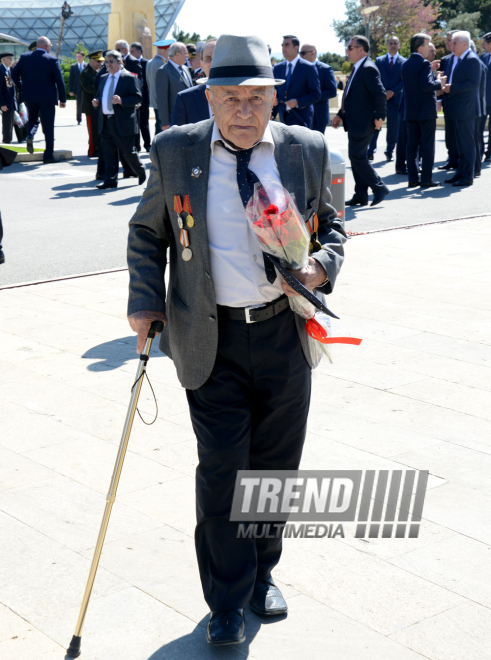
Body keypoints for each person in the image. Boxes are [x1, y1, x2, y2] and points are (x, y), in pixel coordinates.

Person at [126, 33, 346, 647]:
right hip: (211, 338)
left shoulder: (306, 150)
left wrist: (320, 266)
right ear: (210, 98)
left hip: (283, 333)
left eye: (256, 98)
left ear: (275, 98)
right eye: (230, 98)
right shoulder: (176, 151)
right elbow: (147, 234)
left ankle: (261, 575)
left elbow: (334, 229)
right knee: (224, 470)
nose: (244, 111)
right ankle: (225, 598)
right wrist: (145, 301)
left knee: (276, 467)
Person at [332, 35, 388, 207]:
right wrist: (341, 114)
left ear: (360, 49)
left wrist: (380, 117)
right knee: (356, 156)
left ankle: (379, 187)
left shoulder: (368, 68)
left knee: (357, 156)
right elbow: (352, 97)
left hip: (364, 122)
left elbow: (380, 94)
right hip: (355, 121)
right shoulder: (359, 68)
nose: (347, 51)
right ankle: (361, 194)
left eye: (350, 48)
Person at [92, 50, 145, 189]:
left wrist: (122, 101)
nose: (108, 64)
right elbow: (99, 95)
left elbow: (137, 98)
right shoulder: (103, 77)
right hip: (106, 121)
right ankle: (110, 180)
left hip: (122, 121)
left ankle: (140, 170)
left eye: (111, 61)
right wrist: (97, 101)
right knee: (108, 152)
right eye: (106, 62)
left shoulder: (128, 78)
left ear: (120, 62)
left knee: (128, 151)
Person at [11, 36, 66, 163]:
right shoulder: (52, 60)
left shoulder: (25, 57)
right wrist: (63, 99)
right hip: (47, 98)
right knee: (48, 127)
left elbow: (14, 74)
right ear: (47, 46)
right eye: (50, 46)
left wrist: (22, 89)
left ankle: (30, 135)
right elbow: (59, 81)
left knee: (33, 119)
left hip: (30, 96)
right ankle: (48, 156)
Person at [401, 33, 445, 189]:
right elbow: (427, 85)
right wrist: (439, 82)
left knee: (411, 146)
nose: (430, 48)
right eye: (428, 45)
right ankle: (426, 179)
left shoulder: (405, 64)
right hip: (425, 112)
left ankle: (413, 179)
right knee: (427, 146)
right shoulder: (424, 64)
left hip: (411, 112)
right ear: (420, 47)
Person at [443, 31, 482, 187]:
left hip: (466, 109)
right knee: (460, 144)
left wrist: (451, 88)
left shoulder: (472, 60)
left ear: (465, 44)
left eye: (455, 43)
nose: (452, 46)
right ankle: (461, 172)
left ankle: (467, 176)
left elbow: (473, 84)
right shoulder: (461, 59)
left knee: (466, 144)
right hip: (459, 109)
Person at [367, 36, 406, 162]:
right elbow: (375, 78)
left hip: (396, 100)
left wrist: (393, 91)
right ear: (387, 45)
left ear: (399, 45)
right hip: (380, 99)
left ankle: (389, 151)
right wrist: (383, 92)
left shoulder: (404, 62)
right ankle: (371, 150)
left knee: (393, 128)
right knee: (376, 125)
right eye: (391, 43)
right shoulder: (379, 60)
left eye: (395, 43)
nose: (393, 45)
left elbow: (404, 81)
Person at [273, 34, 321, 128]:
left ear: (296, 48)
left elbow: (316, 94)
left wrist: (298, 102)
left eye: (286, 45)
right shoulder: (277, 68)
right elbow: (275, 90)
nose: (283, 48)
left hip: (301, 117)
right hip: (282, 118)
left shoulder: (308, 67)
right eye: (282, 45)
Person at [171, 39, 216, 125]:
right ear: (201, 65)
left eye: (217, 58)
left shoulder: (240, 96)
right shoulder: (185, 99)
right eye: (208, 58)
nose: (213, 63)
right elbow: (177, 137)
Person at [299, 43, 337, 133]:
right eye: (299, 53)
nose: (300, 55)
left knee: (316, 146)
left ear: (313, 53)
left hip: (318, 117)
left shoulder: (325, 69)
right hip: (301, 115)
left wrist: (311, 97)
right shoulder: (299, 69)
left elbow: (332, 91)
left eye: (303, 53)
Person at [156, 42, 192, 131]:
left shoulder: (186, 69)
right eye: (185, 53)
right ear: (177, 54)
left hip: (189, 119)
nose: (187, 56)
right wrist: (165, 123)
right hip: (175, 121)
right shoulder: (163, 71)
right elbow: (162, 100)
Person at [438, 30, 460, 170]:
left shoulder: (467, 59)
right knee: (450, 133)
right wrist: (439, 99)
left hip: (462, 103)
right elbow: (439, 82)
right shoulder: (445, 60)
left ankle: (461, 162)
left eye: (449, 40)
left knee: (461, 134)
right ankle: (452, 159)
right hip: (447, 101)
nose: (446, 42)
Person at [80, 50, 104, 165]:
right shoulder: (85, 73)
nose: (100, 64)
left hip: (99, 106)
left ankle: (99, 148)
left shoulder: (98, 71)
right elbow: (88, 88)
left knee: (99, 129)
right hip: (90, 107)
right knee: (92, 130)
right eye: (98, 61)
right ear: (91, 60)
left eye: (100, 61)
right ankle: (92, 150)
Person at [146, 39, 174, 136]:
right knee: (162, 130)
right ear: (166, 50)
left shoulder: (149, 62)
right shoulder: (162, 64)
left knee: (158, 127)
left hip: (154, 101)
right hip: (162, 103)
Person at [130, 41, 151, 152]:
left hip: (144, 97)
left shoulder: (146, 63)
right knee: (135, 122)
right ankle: (136, 146)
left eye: (132, 51)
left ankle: (147, 144)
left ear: (139, 52)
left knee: (144, 121)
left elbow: (147, 81)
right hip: (133, 97)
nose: (130, 53)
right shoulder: (129, 63)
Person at [0, 52, 16, 144]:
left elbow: (9, 86)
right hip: (5, 102)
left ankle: (9, 139)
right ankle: (6, 140)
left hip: (10, 101)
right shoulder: (1, 70)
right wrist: (2, 104)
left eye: (11, 58)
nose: (11, 60)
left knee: (10, 122)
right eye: (9, 58)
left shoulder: (8, 70)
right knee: (6, 123)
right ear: (3, 59)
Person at [480, 32, 491, 161]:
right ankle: (480, 151)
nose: (482, 46)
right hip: (483, 99)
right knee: (479, 127)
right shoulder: (482, 57)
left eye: (484, 43)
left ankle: (490, 153)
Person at [68, 51, 86, 125]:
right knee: (79, 104)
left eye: (79, 56)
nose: (78, 58)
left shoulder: (87, 66)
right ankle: (79, 119)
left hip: (87, 89)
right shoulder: (73, 66)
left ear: (83, 57)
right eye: (77, 57)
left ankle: (90, 117)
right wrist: (71, 90)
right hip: (77, 89)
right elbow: (70, 79)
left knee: (88, 104)